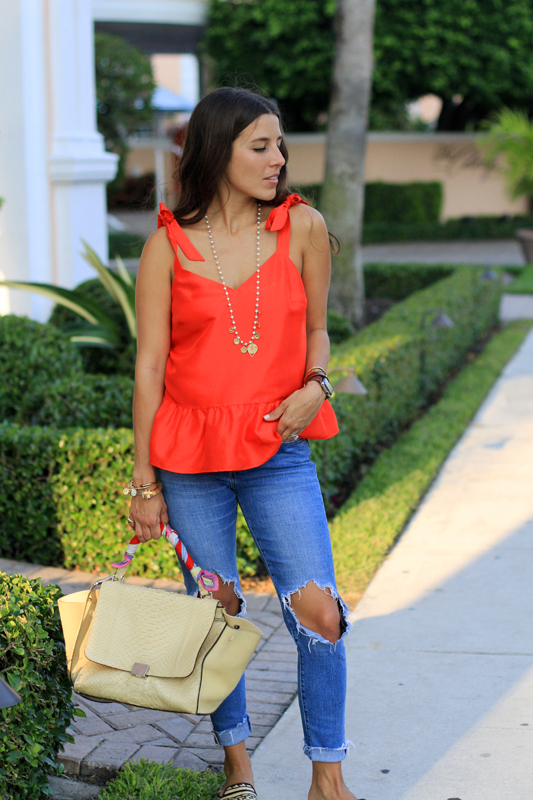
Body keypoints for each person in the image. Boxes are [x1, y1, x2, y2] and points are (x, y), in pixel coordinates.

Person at [128, 87, 361, 800]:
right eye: (260, 146)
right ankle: (238, 769)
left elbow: (319, 329)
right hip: (188, 462)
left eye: (280, 146)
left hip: (276, 453)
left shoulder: (303, 228)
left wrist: (315, 385)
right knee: (217, 616)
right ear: (216, 150)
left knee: (319, 614)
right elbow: (146, 368)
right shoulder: (166, 245)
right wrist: (143, 484)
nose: (278, 159)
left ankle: (327, 776)